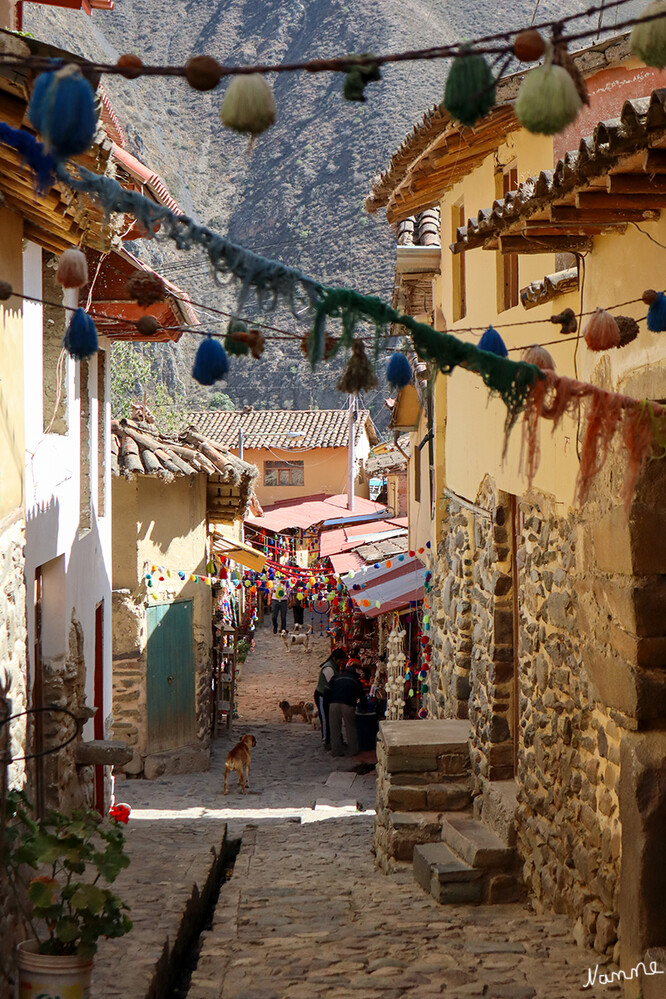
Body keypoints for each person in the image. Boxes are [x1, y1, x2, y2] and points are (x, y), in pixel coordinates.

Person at [325, 657, 367, 757]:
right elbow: (362, 696)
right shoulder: (355, 680)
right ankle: (353, 751)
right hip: (347, 705)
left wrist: (328, 702)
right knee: (351, 728)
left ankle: (336, 751)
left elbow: (327, 690)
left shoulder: (336, 676)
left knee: (334, 728)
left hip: (334, 704)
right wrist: (364, 708)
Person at [314, 648, 346, 748]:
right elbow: (333, 683)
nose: (341, 662)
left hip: (330, 696)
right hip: (322, 696)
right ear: (334, 658)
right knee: (325, 719)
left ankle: (336, 740)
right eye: (339, 660)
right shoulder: (328, 669)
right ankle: (326, 741)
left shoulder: (334, 667)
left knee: (333, 719)